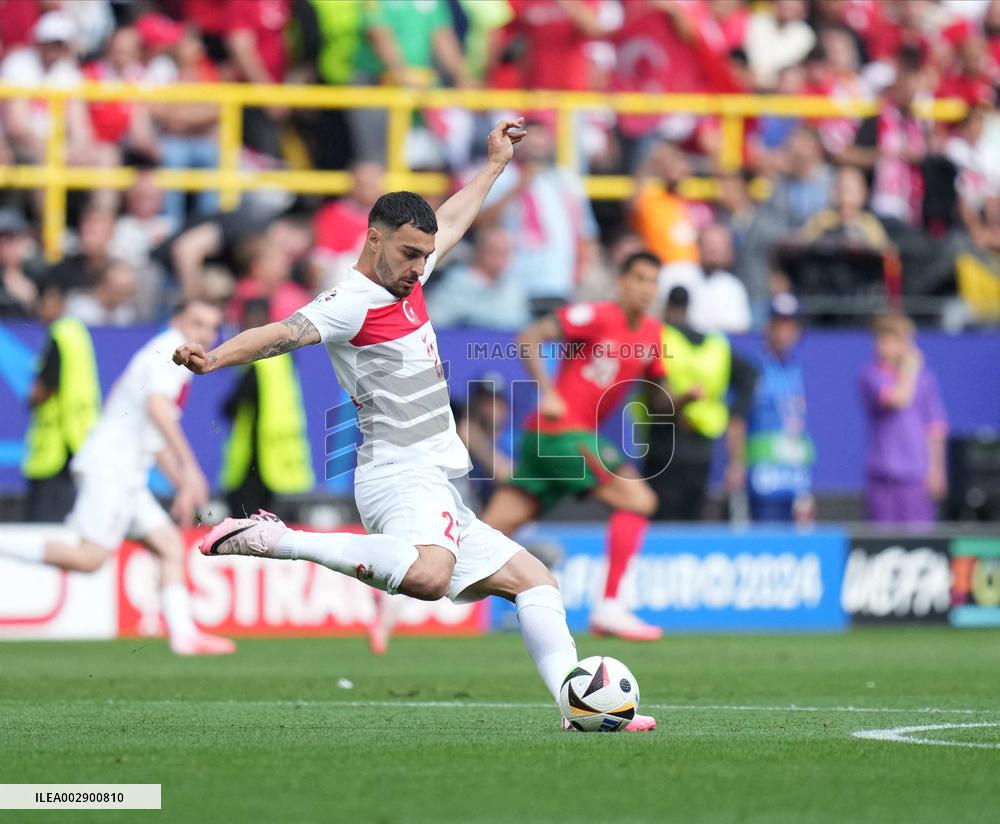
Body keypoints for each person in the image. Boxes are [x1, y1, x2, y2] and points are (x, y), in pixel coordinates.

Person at [173, 119, 655, 731]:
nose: (419, 266)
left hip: (434, 478)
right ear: (373, 239)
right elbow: (282, 333)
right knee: (429, 576)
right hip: (397, 471)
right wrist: (214, 357)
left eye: (425, 256)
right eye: (409, 254)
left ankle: (574, 703)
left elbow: (451, 220)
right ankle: (277, 539)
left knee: (534, 581)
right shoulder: (351, 301)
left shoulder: (410, 271)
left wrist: (494, 165)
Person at [0, 300, 234, 655]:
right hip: (111, 470)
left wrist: (181, 482)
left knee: (169, 545)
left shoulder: (165, 353)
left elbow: (152, 437)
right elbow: (158, 409)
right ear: (176, 320)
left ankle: (184, 637)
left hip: (125, 473)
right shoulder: (172, 351)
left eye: (212, 326)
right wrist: (192, 471)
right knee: (89, 558)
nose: (204, 333)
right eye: (197, 322)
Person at [480, 251, 665, 643]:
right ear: (622, 281)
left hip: (553, 442)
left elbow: (658, 396)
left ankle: (406, 590)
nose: (646, 289)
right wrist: (547, 391)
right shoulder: (595, 315)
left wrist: (684, 400)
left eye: (653, 281)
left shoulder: (652, 334)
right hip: (561, 432)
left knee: (488, 531)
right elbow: (529, 336)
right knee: (638, 500)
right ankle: (610, 607)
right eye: (639, 278)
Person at [644, 286, 757, 522]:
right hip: (703, 448)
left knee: (662, 523)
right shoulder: (716, 345)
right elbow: (750, 375)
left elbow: (658, 400)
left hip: (664, 443)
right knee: (694, 522)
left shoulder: (658, 336)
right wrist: (733, 414)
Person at [219, 298, 315, 520]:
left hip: (258, 462)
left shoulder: (257, 365)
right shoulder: (285, 359)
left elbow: (230, 408)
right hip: (283, 462)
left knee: (245, 525)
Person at [21, 284, 100, 522]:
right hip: (79, 433)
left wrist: (33, 398)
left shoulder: (59, 334)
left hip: (56, 439)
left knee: (45, 517)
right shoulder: (78, 333)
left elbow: (46, 386)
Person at [860, 312, 949, 524]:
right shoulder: (870, 375)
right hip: (882, 474)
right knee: (882, 539)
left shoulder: (925, 379)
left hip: (916, 477)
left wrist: (937, 470)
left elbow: (935, 428)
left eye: (892, 339)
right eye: (880, 338)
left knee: (918, 537)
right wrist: (910, 369)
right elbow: (899, 399)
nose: (883, 345)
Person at [744, 294, 815, 522]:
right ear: (768, 327)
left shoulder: (796, 370)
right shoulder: (754, 368)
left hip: (794, 480)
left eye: (791, 326)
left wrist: (804, 487)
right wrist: (736, 465)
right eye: (779, 325)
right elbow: (737, 420)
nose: (785, 332)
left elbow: (797, 423)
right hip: (763, 479)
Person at [426, 226, 529, 329]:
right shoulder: (456, 282)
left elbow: (520, 325)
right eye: (495, 252)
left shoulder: (513, 288)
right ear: (481, 251)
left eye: (506, 253)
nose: (502, 259)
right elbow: (435, 320)